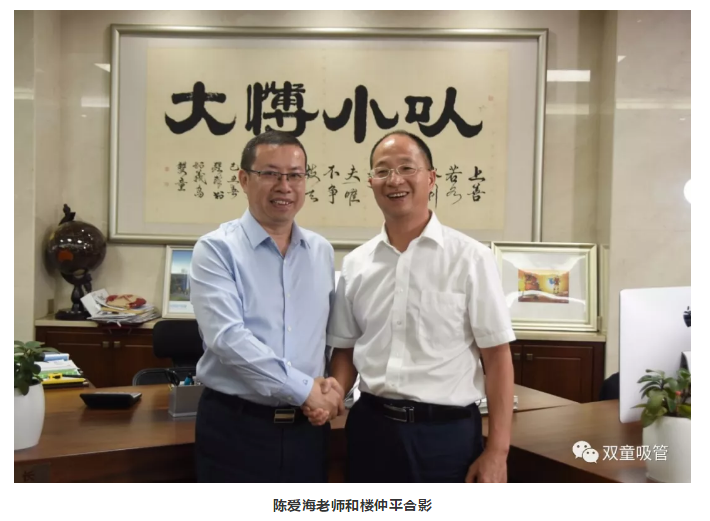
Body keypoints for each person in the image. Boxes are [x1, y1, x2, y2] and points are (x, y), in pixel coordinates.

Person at [316, 130, 515, 483]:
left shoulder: (471, 259)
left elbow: (497, 357)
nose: (394, 180)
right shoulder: (357, 263)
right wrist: (334, 391)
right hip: (372, 430)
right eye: (382, 171)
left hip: (445, 437)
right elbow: (345, 350)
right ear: (371, 182)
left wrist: (498, 451)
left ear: (431, 178)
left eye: (407, 168)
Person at [190, 130, 344, 483]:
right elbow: (228, 339)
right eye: (271, 174)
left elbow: (327, 337)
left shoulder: (320, 251)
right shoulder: (216, 250)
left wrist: (329, 392)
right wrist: (306, 390)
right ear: (244, 179)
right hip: (237, 428)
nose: (284, 186)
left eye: (295, 175)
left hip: (308, 429)